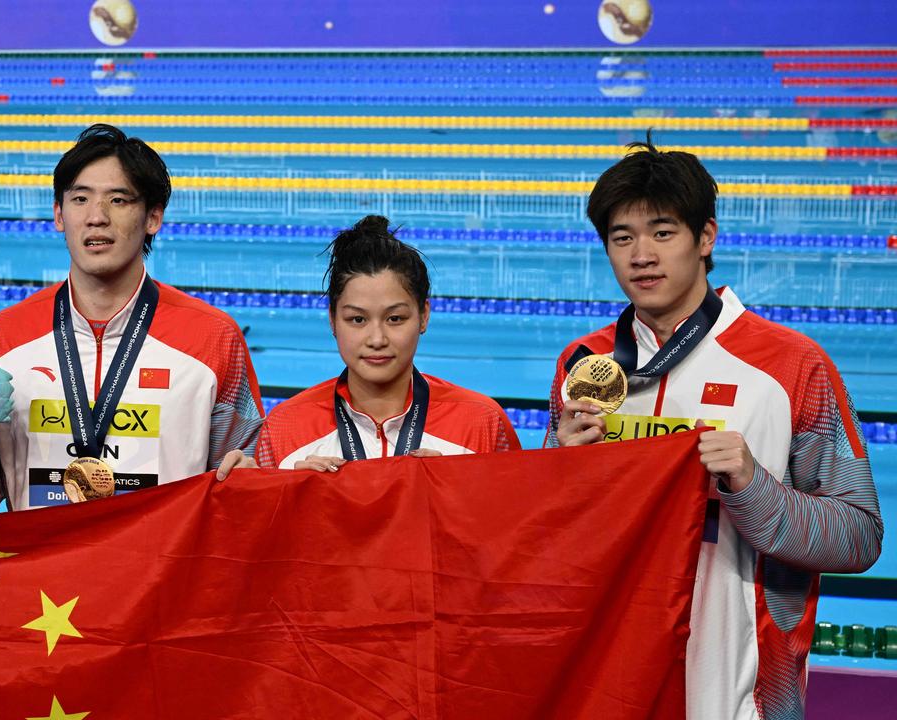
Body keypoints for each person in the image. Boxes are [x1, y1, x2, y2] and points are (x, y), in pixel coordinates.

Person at [546, 139, 882, 719]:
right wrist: (559, 474)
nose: (641, 255)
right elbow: (548, 540)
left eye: (663, 232)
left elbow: (857, 537)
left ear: (706, 238)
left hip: (738, 694)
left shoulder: (792, 366)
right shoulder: (584, 364)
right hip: (609, 681)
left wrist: (752, 484)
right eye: (622, 238)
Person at [0, 124, 264, 511]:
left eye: (119, 200)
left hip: (161, 567)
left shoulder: (212, 336)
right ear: (59, 214)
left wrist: (251, 474)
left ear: (153, 218)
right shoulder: (6, 335)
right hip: (44, 566)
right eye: (80, 199)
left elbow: (244, 472)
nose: (97, 217)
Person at [253, 215, 519, 470]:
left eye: (395, 318)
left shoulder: (482, 422)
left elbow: (516, 514)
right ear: (332, 319)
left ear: (423, 316)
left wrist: (456, 492)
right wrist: (293, 495)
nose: (377, 339)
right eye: (357, 319)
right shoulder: (284, 428)